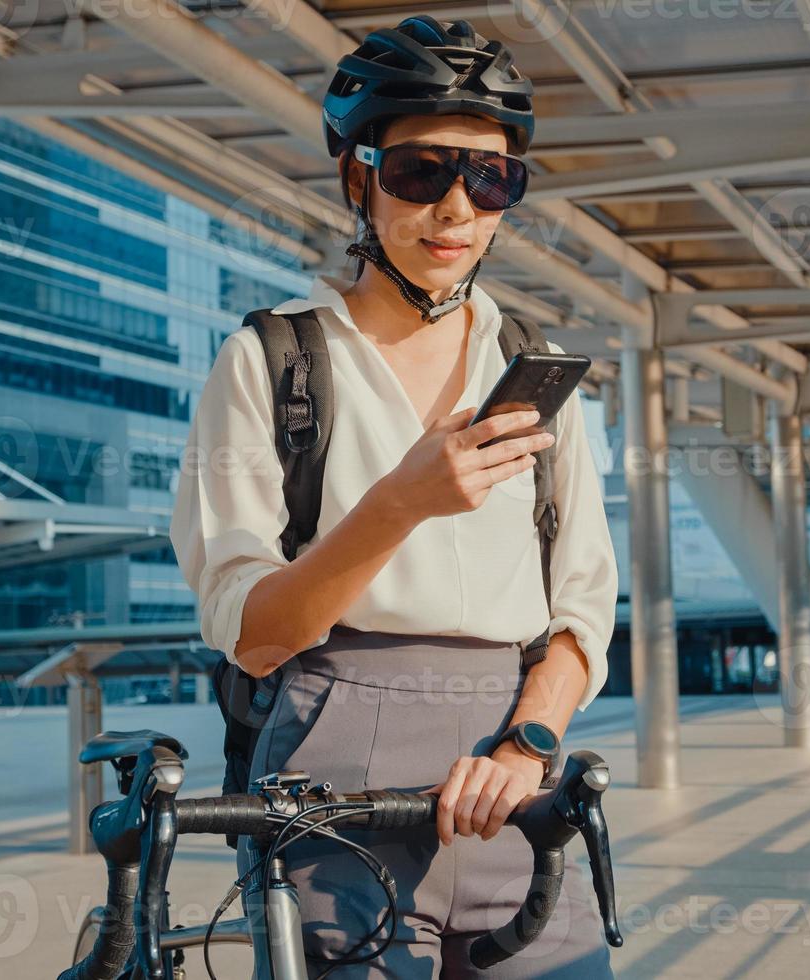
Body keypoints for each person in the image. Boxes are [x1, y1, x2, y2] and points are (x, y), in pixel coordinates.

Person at [171, 14, 618, 978]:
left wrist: (531, 744)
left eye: (491, 178)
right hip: (337, 762)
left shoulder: (531, 369)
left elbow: (582, 607)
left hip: (513, 771)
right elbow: (253, 634)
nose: (457, 208)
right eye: (423, 173)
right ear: (358, 175)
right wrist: (400, 503)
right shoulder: (273, 360)